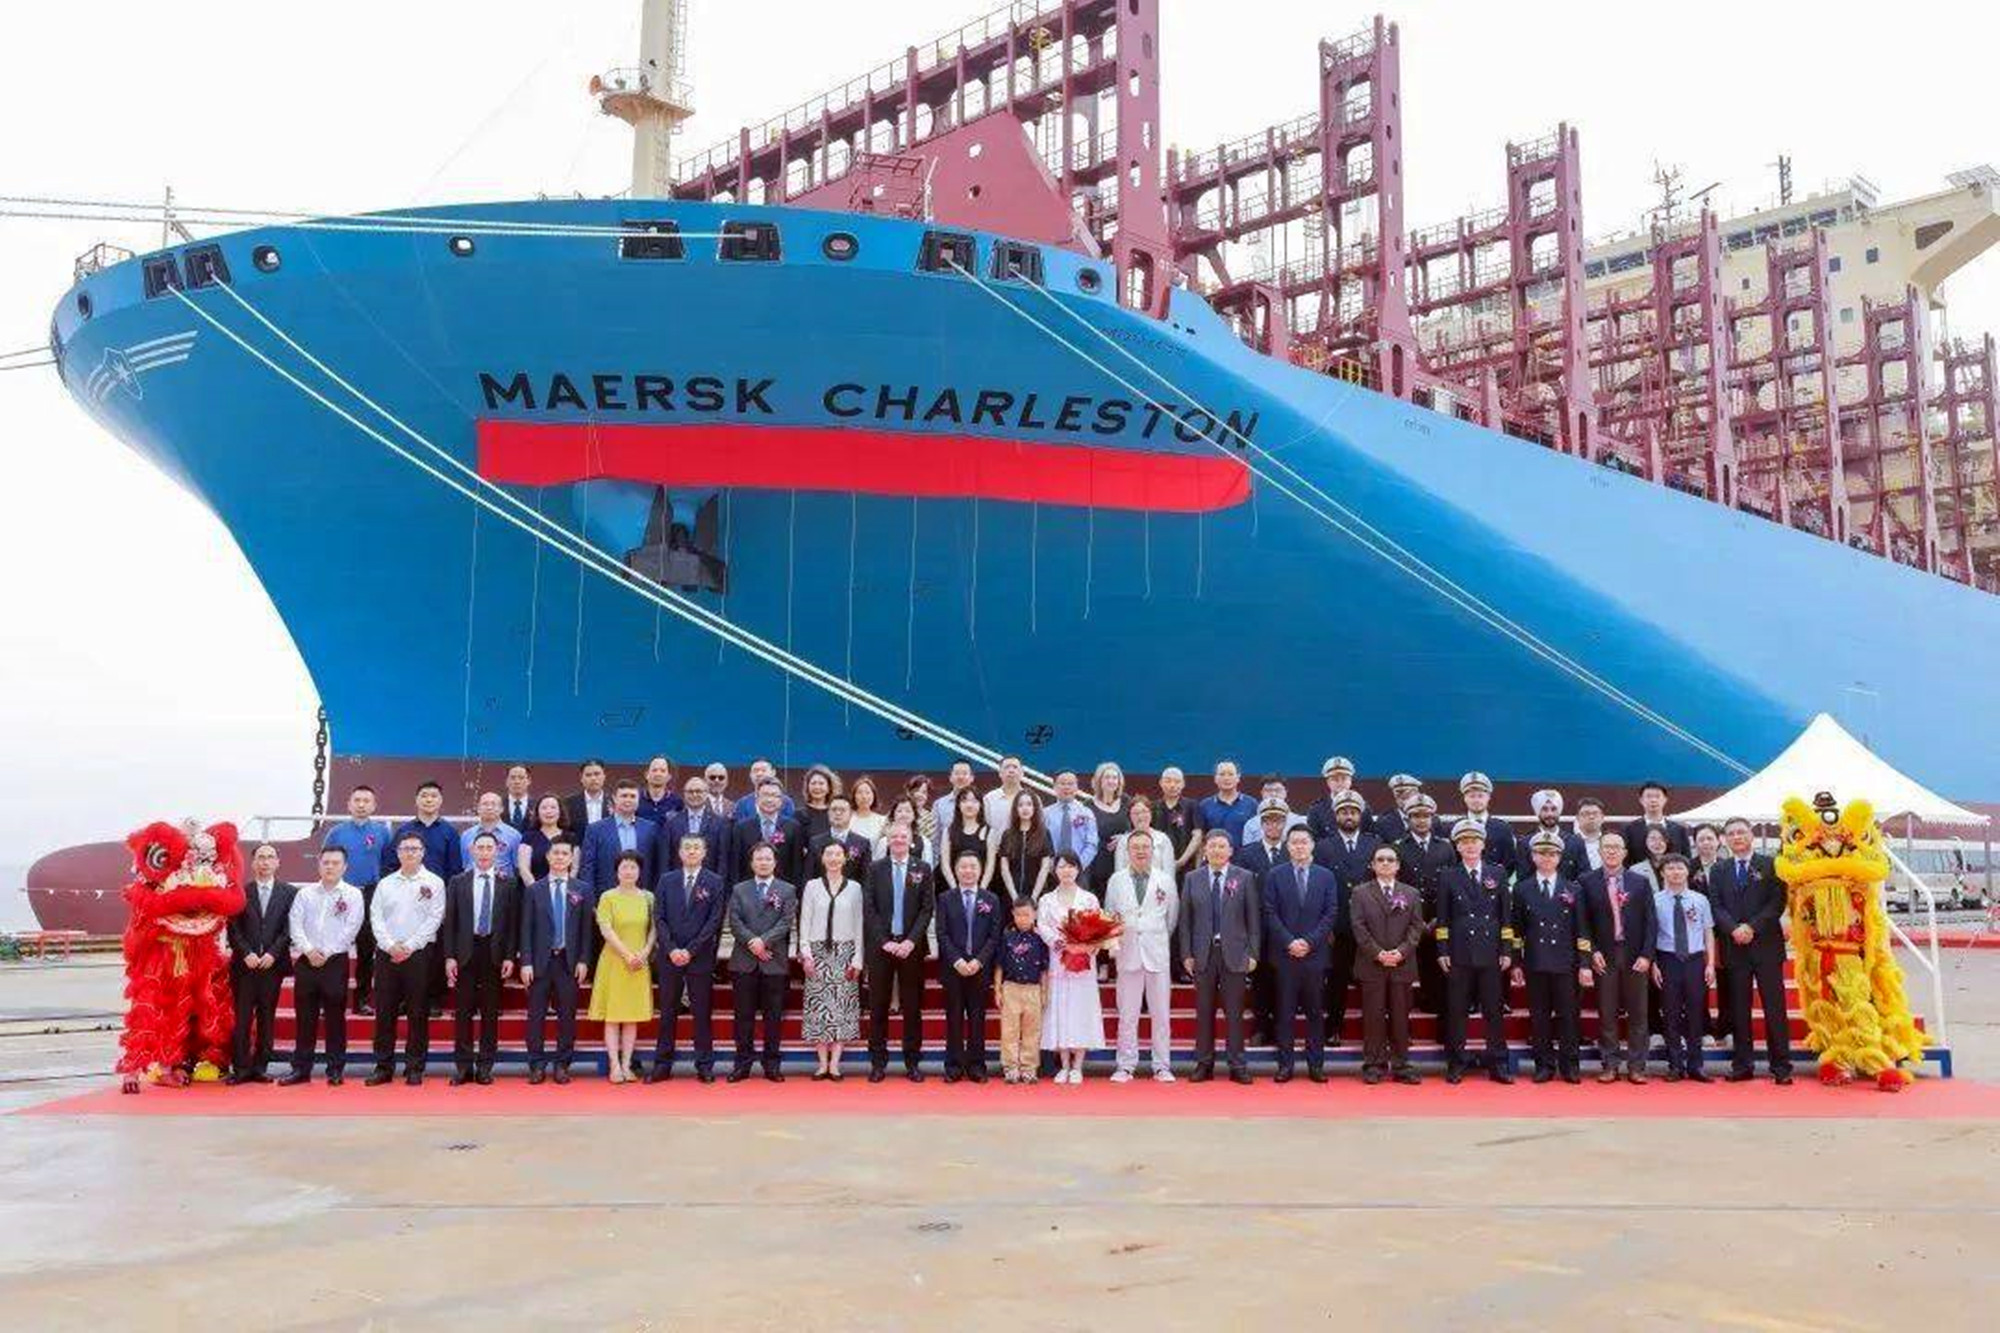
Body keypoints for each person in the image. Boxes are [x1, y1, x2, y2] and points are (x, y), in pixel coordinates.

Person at [1712, 817, 1794, 1085]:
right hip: (1734, 947)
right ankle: (1742, 1065)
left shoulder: (1771, 865)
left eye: (1741, 832)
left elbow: (1777, 902)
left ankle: (1781, 1066)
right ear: (1725, 839)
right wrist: (1733, 929)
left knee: (1774, 1008)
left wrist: (1751, 927)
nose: (1737, 837)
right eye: (1731, 833)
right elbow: (1716, 905)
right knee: (1739, 1009)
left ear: (1752, 836)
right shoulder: (1719, 869)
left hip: (1766, 946)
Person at [1177, 830, 1260, 1083]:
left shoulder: (1244, 877)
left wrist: (1253, 952)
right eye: (1212, 846)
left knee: (1234, 1013)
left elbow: (1253, 919)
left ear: (1230, 851)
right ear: (1205, 850)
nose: (1216, 850)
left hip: (1235, 954)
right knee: (1204, 1013)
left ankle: (1237, 1064)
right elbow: (1185, 921)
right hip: (1203, 954)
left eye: (1222, 846)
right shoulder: (1192, 878)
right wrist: (1186, 953)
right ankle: (1204, 1064)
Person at [1436, 820, 1515, 1084]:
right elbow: (1443, 918)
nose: (1470, 846)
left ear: (1483, 844)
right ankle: (1456, 1063)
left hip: (1491, 953)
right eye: (1464, 842)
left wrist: (1507, 949)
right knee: (1457, 1010)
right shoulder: (1448, 875)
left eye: (1474, 841)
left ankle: (1498, 1063)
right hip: (1459, 952)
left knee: (1493, 1011)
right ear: (1457, 847)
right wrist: (1442, 950)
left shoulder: (1498, 873)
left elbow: (1505, 917)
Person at [366, 832, 445, 1086]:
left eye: (415, 848)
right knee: (385, 1012)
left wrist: (409, 946)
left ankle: (415, 1067)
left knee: (418, 1012)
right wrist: (390, 946)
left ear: (423, 852)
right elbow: (376, 918)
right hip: (387, 954)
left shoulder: (434, 883)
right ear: (398, 853)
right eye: (405, 848)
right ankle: (383, 1066)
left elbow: (435, 919)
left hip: (419, 954)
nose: (410, 852)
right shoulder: (385, 883)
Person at [280, 847, 363, 1086]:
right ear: (319, 865)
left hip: (335, 961)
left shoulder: (353, 895)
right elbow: (295, 924)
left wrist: (327, 952)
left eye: (335, 863)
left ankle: (335, 1069)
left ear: (345, 867)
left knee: (335, 1018)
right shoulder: (305, 894)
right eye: (326, 862)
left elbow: (352, 928)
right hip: (307, 960)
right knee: (305, 1017)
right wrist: (308, 950)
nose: (330, 867)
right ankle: (301, 1069)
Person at [648, 832, 727, 1083]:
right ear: (680, 852)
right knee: (667, 1011)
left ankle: (704, 1064)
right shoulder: (666, 880)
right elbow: (659, 917)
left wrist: (691, 950)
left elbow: (714, 920)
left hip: (700, 956)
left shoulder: (714, 881)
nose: (692, 851)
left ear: (704, 853)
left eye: (696, 847)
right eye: (687, 847)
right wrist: (671, 949)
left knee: (701, 1012)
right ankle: (662, 1065)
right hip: (669, 956)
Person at [443, 831, 520, 1086]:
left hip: (494, 953)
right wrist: (450, 957)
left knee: (489, 1013)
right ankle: (463, 1067)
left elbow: (512, 924)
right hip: (465, 951)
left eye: (489, 848)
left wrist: (510, 956)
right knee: (463, 1012)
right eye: (480, 847)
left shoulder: (508, 883)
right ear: (472, 851)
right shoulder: (458, 882)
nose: (485, 852)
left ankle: (486, 1066)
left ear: (497, 851)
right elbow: (450, 922)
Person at [1262, 826, 1338, 1083]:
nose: (1299, 847)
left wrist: (1309, 941)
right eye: (1294, 842)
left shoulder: (1326, 876)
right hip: (1285, 955)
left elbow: (1330, 913)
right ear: (1287, 846)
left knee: (1315, 1013)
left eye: (1304, 842)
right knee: (1284, 1013)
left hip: (1315, 955)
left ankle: (1316, 1064)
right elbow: (1270, 912)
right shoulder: (1275, 875)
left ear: (1312, 845)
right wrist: (1289, 942)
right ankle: (1285, 1065)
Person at [1580, 830, 1656, 1083]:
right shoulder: (1586, 881)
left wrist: (1647, 955)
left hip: (1635, 956)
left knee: (1638, 1013)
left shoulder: (1640, 882)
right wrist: (1592, 951)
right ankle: (1609, 1064)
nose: (1612, 851)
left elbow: (1651, 922)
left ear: (1624, 853)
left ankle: (1637, 1066)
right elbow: (1583, 923)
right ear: (1599, 851)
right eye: (1607, 847)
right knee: (1607, 1012)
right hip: (1605, 955)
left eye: (1617, 847)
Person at [1513, 830, 1588, 1084]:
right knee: (1540, 1017)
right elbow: (1517, 930)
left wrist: (1584, 963)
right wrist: (1516, 961)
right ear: (1533, 856)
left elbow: (1582, 930)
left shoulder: (1574, 888)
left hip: (1566, 962)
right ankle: (1544, 1065)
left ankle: (1570, 1066)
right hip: (1536, 961)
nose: (1547, 858)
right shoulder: (1522, 889)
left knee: (1569, 1016)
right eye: (1541, 853)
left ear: (1559, 857)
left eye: (1552, 854)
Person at [1104, 832, 1179, 1083]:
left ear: (1153, 851)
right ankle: (1125, 1065)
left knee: (1161, 1013)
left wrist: (1154, 935)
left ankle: (1162, 1065)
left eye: (1145, 847)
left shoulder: (1165, 880)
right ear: (1127, 851)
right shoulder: (1116, 880)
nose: (1140, 851)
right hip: (1127, 952)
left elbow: (1172, 917)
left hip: (1156, 952)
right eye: (1135, 847)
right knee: (1127, 1013)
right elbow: (1110, 914)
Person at [862, 827, 935, 1082]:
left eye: (903, 837)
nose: (899, 840)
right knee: (878, 1005)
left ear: (911, 841)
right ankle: (878, 1063)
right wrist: (884, 941)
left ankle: (912, 1062)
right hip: (881, 947)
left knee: (912, 1007)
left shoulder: (922, 868)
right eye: (894, 837)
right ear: (888, 841)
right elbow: (869, 907)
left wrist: (911, 941)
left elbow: (927, 908)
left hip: (911, 948)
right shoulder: (875, 868)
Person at [1350, 844, 1425, 1085]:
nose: (1385, 863)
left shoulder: (1411, 893)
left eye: (1390, 860)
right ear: (1372, 865)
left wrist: (1401, 952)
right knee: (1373, 1017)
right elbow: (1358, 927)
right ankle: (1374, 1064)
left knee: (1400, 1017)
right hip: (1372, 964)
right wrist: (1378, 953)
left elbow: (1416, 927)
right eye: (1380, 859)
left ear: (1398, 865)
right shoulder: (1360, 893)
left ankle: (1401, 1064)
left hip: (1402, 964)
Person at [519, 839, 591, 1084]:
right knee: (536, 1016)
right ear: (548, 857)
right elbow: (525, 928)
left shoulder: (582, 889)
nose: (560, 857)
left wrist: (583, 960)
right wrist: (526, 962)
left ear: (571, 859)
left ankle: (562, 1064)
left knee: (567, 1016)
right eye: (556, 853)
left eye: (564, 853)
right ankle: (536, 1064)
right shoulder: (534, 890)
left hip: (568, 962)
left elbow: (586, 930)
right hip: (540, 961)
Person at [392, 780, 464, 1016]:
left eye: (433, 795)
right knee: (408, 947)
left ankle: (433, 999)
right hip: (407, 899)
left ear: (440, 800)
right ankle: (405, 998)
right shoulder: (403, 831)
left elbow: (455, 870)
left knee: (435, 951)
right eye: (424, 795)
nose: (429, 799)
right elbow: (392, 865)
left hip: (437, 901)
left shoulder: (449, 832)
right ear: (416, 799)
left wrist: (448, 903)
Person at [727, 842, 797, 1083]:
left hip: (774, 962)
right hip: (744, 962)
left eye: (768, 858)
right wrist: (753, 943)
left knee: (773, 1017)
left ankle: (772, 1064)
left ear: (775, 862)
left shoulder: (787, 890)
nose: (763, 862)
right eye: (759, 859)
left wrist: (764, 942)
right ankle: (742, 1064)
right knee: (743, 1017)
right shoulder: (739, 889)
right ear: (752, 863)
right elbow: (734, 921)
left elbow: (786, 922)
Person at [1312, 791, 1375, 1052]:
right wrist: (1324, 926)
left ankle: (1374, 1032)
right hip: (1337, 926)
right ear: (1335, 815)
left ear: (1360, 815)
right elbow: (1318, 888)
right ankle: (1334, 1028)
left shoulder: (1374, 843)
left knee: (1371, 982)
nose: (1348, 816)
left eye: (1353, 812)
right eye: (1343, 812)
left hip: (1370, 926)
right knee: (1336, 981)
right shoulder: (1323, 846)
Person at [227, 843, 295, 1084]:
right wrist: (245, 952)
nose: (265, 862)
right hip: (244, 967)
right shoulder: (240, 892)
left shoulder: (289, 893)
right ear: (253, 862)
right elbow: (233, 927)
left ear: (277, 862)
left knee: (267, 1017)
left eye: (270, 857)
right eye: (261, 857)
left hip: (271, 966)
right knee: (242, 1019)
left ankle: (260, 1067)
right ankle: (241, 1068)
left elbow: (289, 928)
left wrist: (273, 954)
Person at [1037, 851, 1107, 1084]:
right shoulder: (1047, 900)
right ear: (1054, 870)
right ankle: (1064, 1064)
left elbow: (1098, 929)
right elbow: (1043, 926)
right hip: (1058, 960)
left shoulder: (1089, 899)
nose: (1066, 871)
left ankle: (1078, 1066)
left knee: (1080, 1009)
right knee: (1060, 1008)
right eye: (1061, 866)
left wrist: (1084, 944)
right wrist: (1060, 942)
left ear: (1078, 869)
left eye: (1071, 866)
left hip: (1082, 963)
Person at [798, 840, 864, 1080]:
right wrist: (805, 953)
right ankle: (822, 1063)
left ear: (845, 858)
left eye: (838, 854)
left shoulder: (855, 888)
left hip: (845, 952)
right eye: (829, 854)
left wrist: (858, 958)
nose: (834, 858)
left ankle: (835, 1064)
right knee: (819, 1008)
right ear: (822, 858)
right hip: (818, 953)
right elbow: (804, 920)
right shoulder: (812, 886)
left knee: (842, 1009)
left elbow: (859, 923)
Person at [322, 786, 392, 1013]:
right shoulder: (336, 832)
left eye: (366, 801)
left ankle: (362, 1000)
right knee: (333, 945)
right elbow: (326, 863)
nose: (361, 805)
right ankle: (329, 999)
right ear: (349, 804)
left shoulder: (383, 833)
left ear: (374, 805)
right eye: (357, 800)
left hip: (370, 893)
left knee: (366, 948)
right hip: (341, 892)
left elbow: (389, 864)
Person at [588, 852, 656, 1084]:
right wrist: (627, 955)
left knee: (631, 1016)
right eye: (624, 867)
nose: (629, 871)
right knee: (613, 1016)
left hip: (639, 962)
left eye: (633, 867)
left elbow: (654, 929)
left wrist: (644, 952)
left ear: (640, 871)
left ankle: (627, 1065)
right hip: (615, 961)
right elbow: (605, 929)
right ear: (617, 871)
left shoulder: (648, 897)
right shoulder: (607, 897)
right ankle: (614, 1065)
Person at [936, 849, 1003, 1083]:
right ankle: (953, 1066)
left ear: (980, 870)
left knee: (977, 1018)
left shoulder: (991, 899)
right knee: (954, 1018)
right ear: (956, 870)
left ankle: (976, 1066)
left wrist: (979, 960)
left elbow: (994, 936)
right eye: (963, 866)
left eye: (972, 866)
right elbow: (942, 934)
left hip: (979, 969)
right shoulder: (945, 898)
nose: (968, 871)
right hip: (953, 968)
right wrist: (957, 960)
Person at [1652, 854, 1717, 1082]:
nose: (1675, 872)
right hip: (1667, 960)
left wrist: (1710, 963)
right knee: (1670, 1013)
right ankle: (1675, 1065)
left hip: (1694, 961)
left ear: (1687, 872)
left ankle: (1696, 1065)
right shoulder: (1655, 900)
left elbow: (1708, 932)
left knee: (1695, 1013)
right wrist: (1653, 964)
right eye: (1670, 868)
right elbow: (1650, 934)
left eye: (1679, 868)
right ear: (1663, 873)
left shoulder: (1700, 900)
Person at [1394, 794, 1455, 1015]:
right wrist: (1415, 920)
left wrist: (1440, 917)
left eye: (1426, 816)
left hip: (1439, 917)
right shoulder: (1398, 848)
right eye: (1416, 816)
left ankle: (1435, 1005)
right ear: (1408, 819)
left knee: (1438, 967)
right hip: (1409, 918)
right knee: (1408, 967)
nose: (1421, 820)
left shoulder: (1445, 848)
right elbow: (1395, 886)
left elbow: (1452, 885)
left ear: (1432, 818)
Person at [995, 899, 1051, 1084]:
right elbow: (999, 966)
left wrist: (1044, 992)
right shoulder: (1007, 937)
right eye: (1018, 915)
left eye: (1027, 915)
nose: (1022, 919)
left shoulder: (1040, 939)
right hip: (1011, 988)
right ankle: (1010, 1067)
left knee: (1032, 1031)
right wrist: (998, 990)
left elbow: (1044, 969)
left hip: (1033, 989)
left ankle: (1029, 1068)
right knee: (1009, 1030)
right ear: (1013, 914)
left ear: (1034, 915)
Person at [581, 780, 658, 894]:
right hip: (605, 896)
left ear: (638, 800)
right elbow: (587, 868)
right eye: (624, 796)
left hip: (642, 896)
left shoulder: (650, 828)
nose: (628, 800)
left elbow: (656, 866)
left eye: (632, 796)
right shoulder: (595, 830)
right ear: (614, 798)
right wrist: (589, 898)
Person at [657, 773, 730, 878]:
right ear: (684, 794)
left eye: (699, 791)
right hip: (677, 881)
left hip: (709, 882)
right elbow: (665, 858)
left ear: (707, 793)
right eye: (690, 792)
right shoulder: (671, 822)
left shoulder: (720, 823)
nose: (694, 795)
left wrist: (719, 883)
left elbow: (722, 859)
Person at [993, 789, 1053, 903]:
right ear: (1015, 809)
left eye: (1029, 804)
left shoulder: (1044, 833)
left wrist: (1034, 897)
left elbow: (1045, 867)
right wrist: (1014, 896)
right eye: (1020, 805)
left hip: (1036, 894)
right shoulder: (1007, 834)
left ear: (1035, 808)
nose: (1025, 808)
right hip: (1010, 894)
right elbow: (1004, 868)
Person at [1516, 790, 1587, 883]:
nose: (1550, 814)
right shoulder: (1525, 843)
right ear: (1537, 812)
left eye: (1553, 809)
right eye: (1544, 809)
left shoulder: (1575, 842)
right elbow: (1523, 878)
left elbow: (1584, 877)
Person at [1457, 772, 1517, 874]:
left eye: (1480, 796)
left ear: (1488, 797)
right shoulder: (1455, 827)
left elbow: (1509, 863)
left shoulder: (1503, 829)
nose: (1476, 800)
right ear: (1464, 798)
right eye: (1472, 796)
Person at [1043, 770, 1100, 878]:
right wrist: (1050, 865)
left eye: (1070, 784)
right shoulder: (1045, 814)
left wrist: (1078, 866)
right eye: (1062, 783)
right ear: (1054, 787)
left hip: (1080, 871)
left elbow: (1091, 844)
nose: (1067, 787)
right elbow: (1041, 843)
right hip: (1051, 871)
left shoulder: (1087, 813)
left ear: (1077, 787)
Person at [1084, 761, 1129, 892]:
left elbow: (1138, 828)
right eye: (1107, 777)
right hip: (1096, 866)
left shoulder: (1127, 801)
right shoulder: (1087, 806)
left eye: (1115, 778)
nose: (1111, 781)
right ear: (1099, 781)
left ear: (1119, 782)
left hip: (1122, 863)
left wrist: (1125, 838)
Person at [938, 788, 993, 894]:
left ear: (980, 805)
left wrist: (980, 891)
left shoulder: (989, 831)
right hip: (952, 888)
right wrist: (956, 890)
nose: (969, 805)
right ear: (958, 805)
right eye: (964, 800)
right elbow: (945, 864)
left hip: (982, 889)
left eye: (974, 801)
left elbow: (990, 865)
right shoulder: (949, 831)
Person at [1306, 756, 1375, 840]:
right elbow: (1313, 840)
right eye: (1335, 779)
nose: (1340, 783)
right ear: (1328, 782)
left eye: (1344, 778)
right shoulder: (1317, 810)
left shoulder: (1363, 807)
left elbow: (1369, 837)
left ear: (1350, 781)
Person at [809, 794, 873, 880]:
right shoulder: (815, 842)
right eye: (834, 810)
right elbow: (808, 875)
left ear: (851, 814)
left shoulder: (862, 843)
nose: (838, 813)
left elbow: (866, 877)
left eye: (842, 810)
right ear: (828, 813)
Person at [1622, 781, 1692, 858]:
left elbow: (1686, 858)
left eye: (1657, 796)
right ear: (1641, 800)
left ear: (1665, 800)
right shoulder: (1629, 829)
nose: (1653, 800)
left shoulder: (1679, 830)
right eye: (1649, 796)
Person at [1197, 759, 1258, 846]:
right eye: (1222, 774)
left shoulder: (1251, 804)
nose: (1226, 778)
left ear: (1238, 778)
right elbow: (1200, 837)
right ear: (1215, 778)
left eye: (1231, 774)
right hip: (1215, 854)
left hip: (1245, 854)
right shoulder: (1205, 805)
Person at [1111, 794, 1174, 877]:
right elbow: (1119, 872)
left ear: (1151, 813)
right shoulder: (1123, 842)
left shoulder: (1163, 839)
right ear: (1130, 816)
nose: (1140, 816)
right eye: (1136, 813)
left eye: (1144, 811)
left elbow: (1169, 873)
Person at [458, 792, 523, 870]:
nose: (489, 808)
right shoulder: (467, 835)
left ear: (502, 809)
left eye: (494, 804)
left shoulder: (514, 835)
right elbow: (465, 864)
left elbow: (517, 866)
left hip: (503, 877)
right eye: (485, 804)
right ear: (478, 809)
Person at [1152, 767, 1199, 871]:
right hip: (1157, 867)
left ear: (1183, 784)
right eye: (1168, 781)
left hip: (1186, 866)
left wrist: (1182, 860)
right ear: (1161, 783)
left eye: (1177, 781)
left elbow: (1197, 836)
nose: (1172, 785)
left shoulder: (1192, 806)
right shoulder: (1153, 807)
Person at [516, 795, 569, 885]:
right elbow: (524, 868)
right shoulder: (528, 837)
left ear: (560, 811)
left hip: (565, 889)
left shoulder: (570, 837)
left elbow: (575, 868)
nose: (549, 811)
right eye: (544, 808)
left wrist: (566, 887)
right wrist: (536, 890)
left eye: (553, 807)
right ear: (537, 812)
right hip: (533, 888)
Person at [1234, 799, 1293, 881]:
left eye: (1278, 822)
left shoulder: (1292, 852)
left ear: (1285, 823)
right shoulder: (1246, 854)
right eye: (1268, 822)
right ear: (1261, 824)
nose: (1274, 826)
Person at [927, 760, 978, 855]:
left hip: (975, 859)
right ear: (950, 778)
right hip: (947, 857)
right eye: (957, 773)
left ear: (972, 778)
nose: (960, 777)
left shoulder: (981, 803)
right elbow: (935, 837)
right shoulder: (939, 804)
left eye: (965, 773)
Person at [872, 794, 934, 866]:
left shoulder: (924, 842)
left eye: (908, 811)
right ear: (893, 815)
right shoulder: (884, 842)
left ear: (914, 815)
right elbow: (877, 867)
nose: (903, 814)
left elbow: (928, 868)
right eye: (899, 811)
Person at [731, 759, 796, 821]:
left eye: (763, 770)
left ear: (773, 772)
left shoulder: (786, 802)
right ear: (750, 775)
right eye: (755, 771)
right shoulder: (742, 803)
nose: (759, 774)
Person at [982, 755, 1032, 831]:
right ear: (1000, 773)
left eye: (1015, 767)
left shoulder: (1032, 798)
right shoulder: (989, 798)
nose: (1011, 771)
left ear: (1022, 773)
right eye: (1007, 767)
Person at [563, 758, 614, 833]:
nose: (593, 778)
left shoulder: (614, 802)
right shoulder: (569, 803)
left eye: (597, 774)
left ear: (604, 777)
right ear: (581, 779)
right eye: (588, 775)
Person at [1373, 774, 1423, 845]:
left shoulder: (1432, 820)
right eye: (1398, 795)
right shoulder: (1384, 822)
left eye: (1407, 794)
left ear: (1417, 794)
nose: (1403, 798)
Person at [798, 763, 841, 844]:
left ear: (829, 787)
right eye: (813, 783)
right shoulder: (799, 815)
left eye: (821, 783)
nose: (817, 787)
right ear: (807, 787)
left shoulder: (836, 813)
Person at [636, 755, 683, 827]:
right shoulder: (636, 799)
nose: (658, 774)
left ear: (669, 776)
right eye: (654, 770)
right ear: (646, 775)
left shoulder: (677, 802)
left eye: (662, 771)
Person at [848, 774, 886, 845]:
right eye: (860, 793)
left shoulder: (882, 821)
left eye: (868, 793)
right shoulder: (847, 819)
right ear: (854, 796)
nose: (864, 797)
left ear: (874, 796)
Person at [1574, 797, 1608, 872]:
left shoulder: (1610, 841)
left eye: (1595, 813)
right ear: (1578, 818)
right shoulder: (1569, 843)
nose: (1591, 817)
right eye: (1586, 814)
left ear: (1602, 817)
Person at [503, 765, 536, 831]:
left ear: (529, 781)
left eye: (521, 778)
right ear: (506, 781)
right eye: (513, 778)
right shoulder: (499, 805)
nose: (517, 782)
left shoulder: (537, 805)